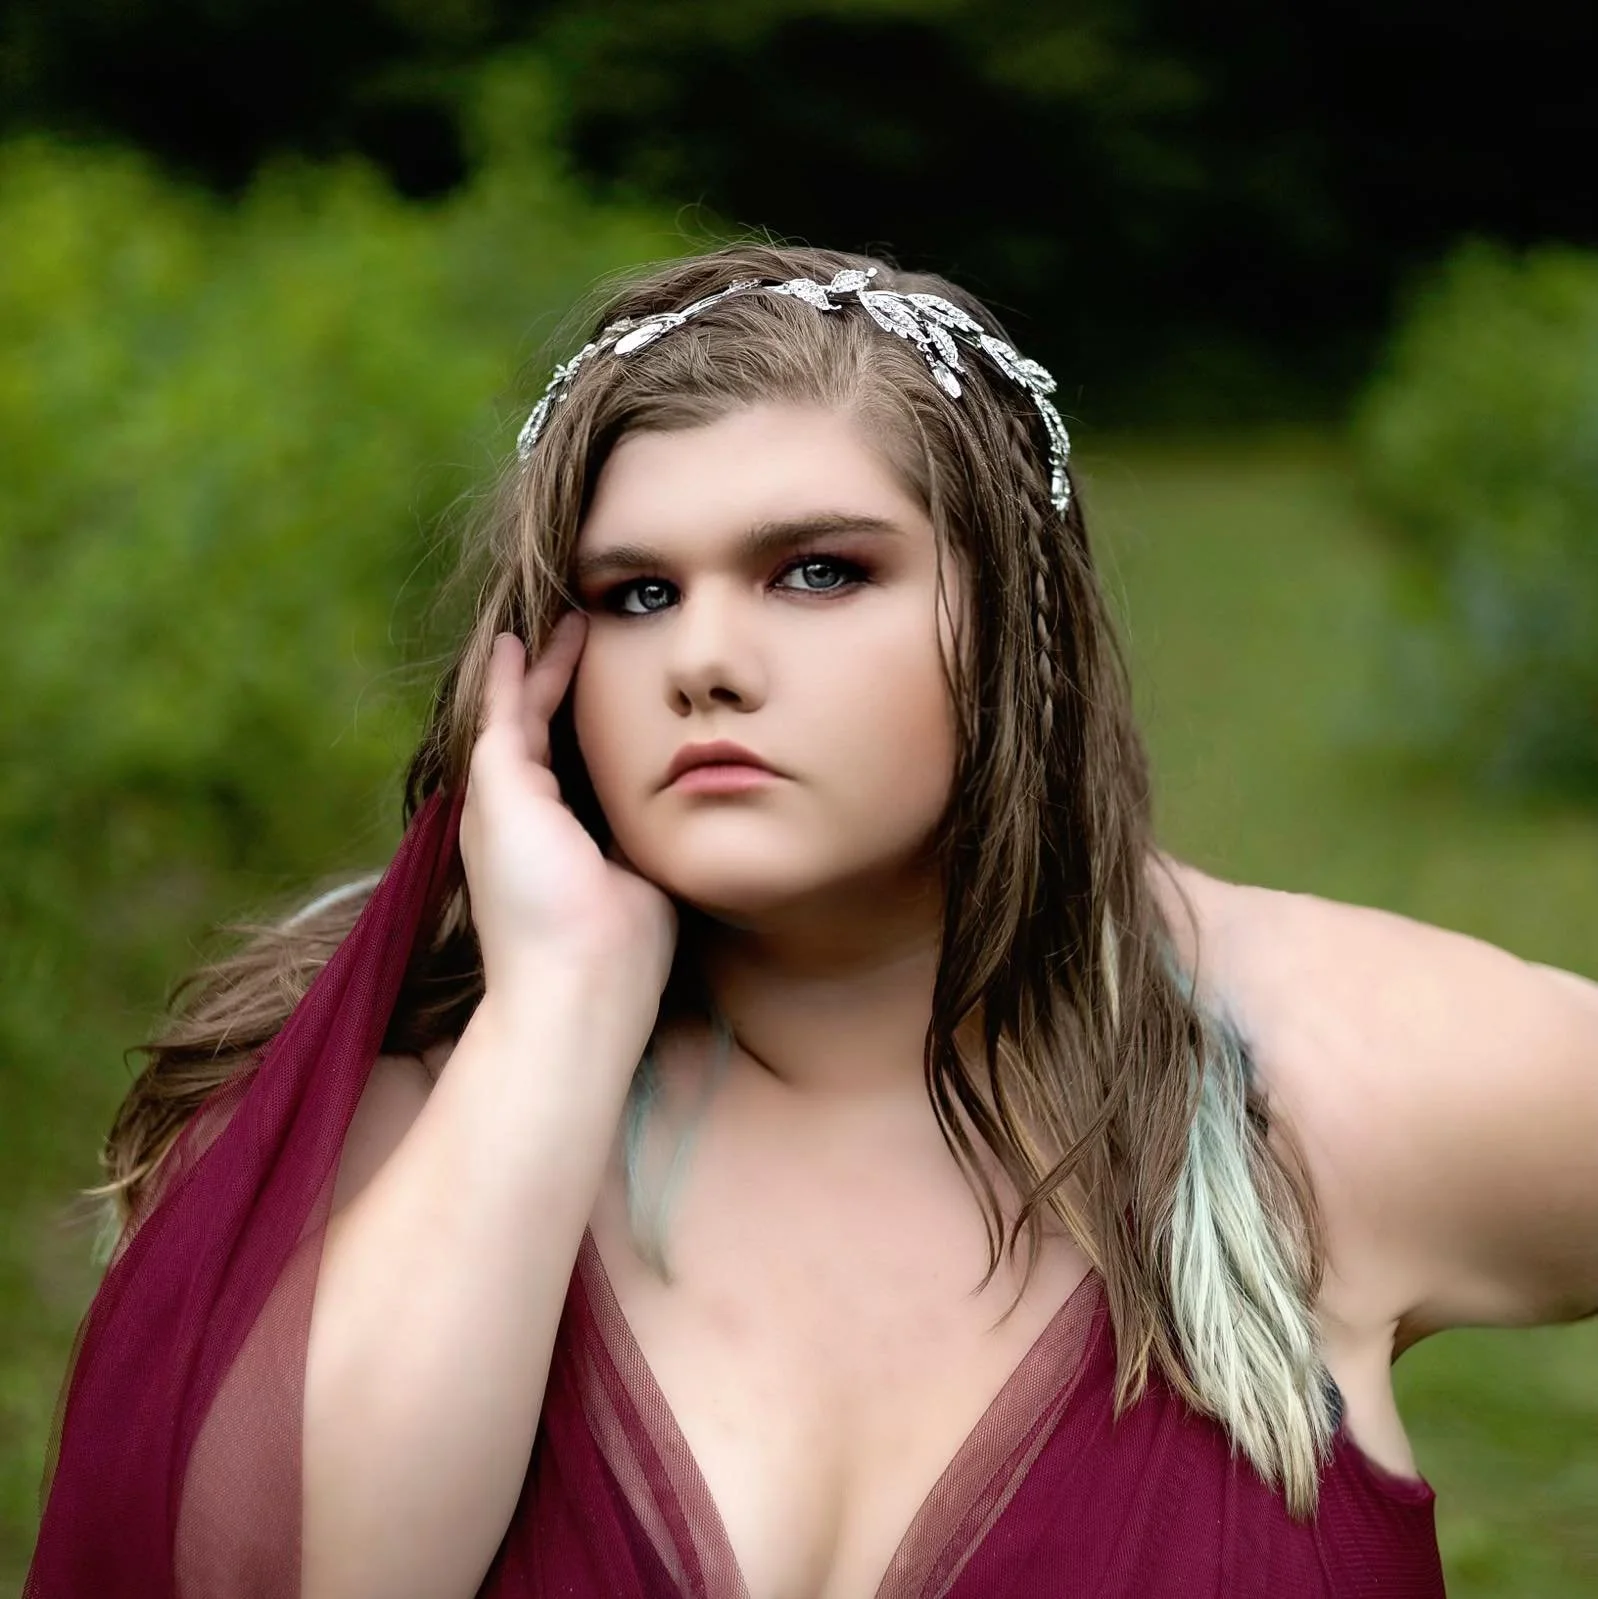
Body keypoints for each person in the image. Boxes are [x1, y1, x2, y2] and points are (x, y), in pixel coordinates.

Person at [24, 243, 1598, 1599]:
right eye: (635, 594)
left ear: (1018, 620)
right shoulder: (411, 1124)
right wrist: (559, 1002)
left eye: (819, 571)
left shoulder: (1324, 1076)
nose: (704, 657)